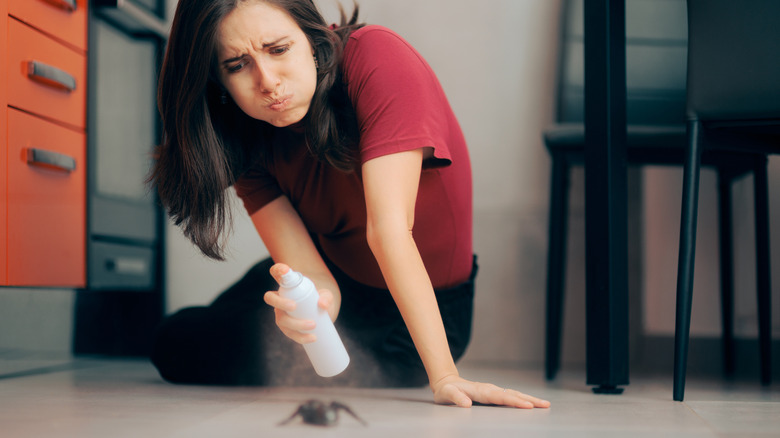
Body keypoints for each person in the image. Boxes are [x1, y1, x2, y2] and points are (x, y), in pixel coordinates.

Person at [148, 0, 550, 409]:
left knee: (181, 343)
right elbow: (312, 276)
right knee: (175, 338)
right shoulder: (241, 135)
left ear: (310, 35)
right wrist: (312, 311)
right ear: (217, 82)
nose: (267, 81)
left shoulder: (376, 57)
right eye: (237, 65)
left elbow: (388, 230)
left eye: (278, 49)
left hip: (411, 322)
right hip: (332, 274)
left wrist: (445, 376)